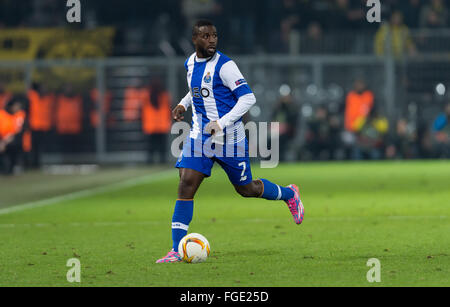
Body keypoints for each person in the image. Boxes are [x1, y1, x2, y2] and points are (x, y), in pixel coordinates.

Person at [156, 20, 304, 263]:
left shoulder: (225, 66)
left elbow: (248, 98)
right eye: (206, 36)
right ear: (195, 40)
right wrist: (184, 103)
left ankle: (289, 194)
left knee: (246, 189)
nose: (212, 40)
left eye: (214, 35)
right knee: (186, 184)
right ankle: (175, 249)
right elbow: (196, 89)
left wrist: (221, 123)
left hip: (230, 140)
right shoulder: (190, 63)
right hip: (200, 137)